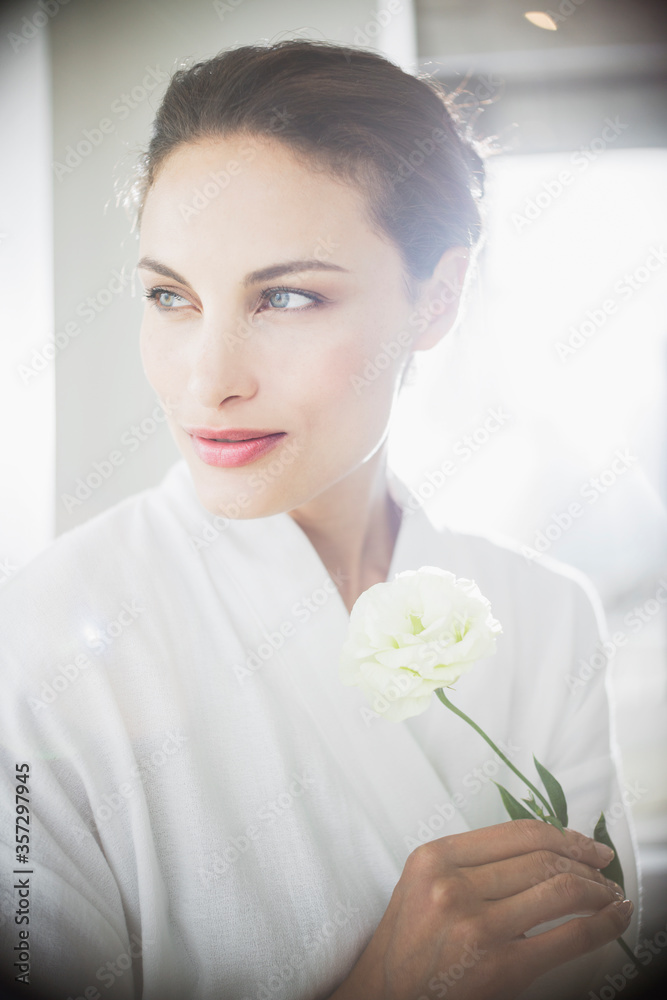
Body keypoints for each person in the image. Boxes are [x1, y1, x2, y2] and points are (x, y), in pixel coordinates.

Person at [0, 40, 639, 1000]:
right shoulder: (36, 637)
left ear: (437, 297)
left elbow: (607, 966)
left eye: (287, 295)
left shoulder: (545, 616)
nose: (207, 382)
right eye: (170, 296)